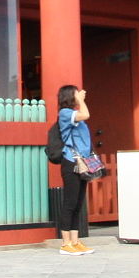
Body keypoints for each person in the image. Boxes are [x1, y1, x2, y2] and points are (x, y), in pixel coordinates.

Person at [55, 85, 94, 255]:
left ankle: (75, 241)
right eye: (76, 93)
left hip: (82, 162)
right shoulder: (65, 113)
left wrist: (79, 100)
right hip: (71, 162)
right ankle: (65, 243)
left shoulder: (73, 114)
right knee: (70, 203)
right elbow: (86, 114)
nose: (79, 95)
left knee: (78, 203)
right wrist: (81, 101)